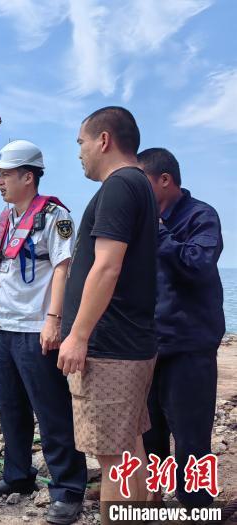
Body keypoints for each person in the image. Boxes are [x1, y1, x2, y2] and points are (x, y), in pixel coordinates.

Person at [0, 140, 87, 524]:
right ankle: (18, 476)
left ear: (28, 176)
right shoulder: (5, 220)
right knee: (10, 408)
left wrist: (54, 320)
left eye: (5, 175)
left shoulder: (54, 216)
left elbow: (63, 267)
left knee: (52, 410)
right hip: (5, 327)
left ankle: (68, 488)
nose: (0, 183)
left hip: (34, 328)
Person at [58, 107, 158, 524]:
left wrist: (78, 335)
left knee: (112, 457)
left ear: (103, 139)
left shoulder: (120, 186)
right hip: (129, 344)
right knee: (130, 445)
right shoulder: (137, 185)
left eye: (80, 142)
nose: (79, 153)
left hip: (110, 348)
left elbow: (107, 265)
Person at [138, 147, 225, 508]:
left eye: (141, 182)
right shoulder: (142, 222)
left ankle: (197, 504)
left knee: (191, 434)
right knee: (151, 432)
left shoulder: (201, 216)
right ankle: (154, 497)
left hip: (189, 345)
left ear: (165, 180)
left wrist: (159, 235)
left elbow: (199, 264)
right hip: (148, 344)